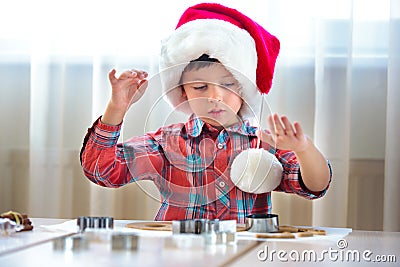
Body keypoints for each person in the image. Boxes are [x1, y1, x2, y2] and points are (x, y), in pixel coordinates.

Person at [80, 3, 331, 224]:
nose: (215, 96)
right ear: (183, 92)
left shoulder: (264, 143)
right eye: (200, 87)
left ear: (244, 89)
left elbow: (315, 186)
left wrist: (303, 149)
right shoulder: (166, 144)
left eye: (228, 85)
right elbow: (101, 170)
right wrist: (117, 108)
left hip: (244, 256)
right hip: (177, 256)